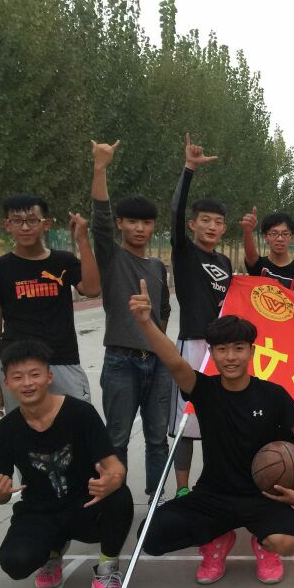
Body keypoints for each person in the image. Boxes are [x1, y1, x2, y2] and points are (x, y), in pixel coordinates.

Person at [131, 285, 294, 586]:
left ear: (252, 351)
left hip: (263, 496)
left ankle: (264, 545)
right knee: (151, 536)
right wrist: (146, 322)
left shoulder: (273, 395)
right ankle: (218, 539)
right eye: (221, 349)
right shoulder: (204, 390)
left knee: (285, 542)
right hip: (213, 495)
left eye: (238, 348)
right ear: (211, 353)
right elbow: (174, 361)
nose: (230, 357)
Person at [0, 340, 133, 588]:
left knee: (119, 495)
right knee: (15, 562)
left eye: (35, 374)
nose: (28, 383)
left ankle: (107, 570)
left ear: (49, 376)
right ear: (6, 382)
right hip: (40, 511)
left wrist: (114, 478)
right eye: (18, 377)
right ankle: (52, 553)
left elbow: (113, 464)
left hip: (84, 505)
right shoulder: (3, 432)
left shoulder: (80, 413)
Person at [89, 139, 173, 506]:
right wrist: (100, 168)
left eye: (147, 222)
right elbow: (99, 219)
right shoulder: (112, 258)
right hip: (120, 362)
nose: (140, 228)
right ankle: (116, 502)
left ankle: (156, 502)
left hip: (157, 363)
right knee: (117, 438)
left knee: (157, 438)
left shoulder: (157, 267)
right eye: (133, 221)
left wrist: (161, 349)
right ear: (121, 224)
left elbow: (164, 312)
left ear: (153, 227)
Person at [0, 194, 101, 416]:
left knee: (76, 424)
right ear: (7, 225)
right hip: (17, 366)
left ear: (46, 224)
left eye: (32, 220)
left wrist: (82, 240)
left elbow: (92, 289)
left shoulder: (63, 261)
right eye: (17, 221)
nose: (25, 227)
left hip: (62, 359)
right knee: (25, 430)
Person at [168, 133, 233, 499]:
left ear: (223, 228)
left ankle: (214, 485)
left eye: (217, 222)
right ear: (193, 225)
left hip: (222, 350)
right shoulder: (185, 253)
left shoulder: (224, 261)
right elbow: (175, 212)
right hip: (193, 346)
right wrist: (188, 169)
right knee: (186, 423)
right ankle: (182, 490)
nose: (211, 226)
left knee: (218, 421)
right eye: (205, 220)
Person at [242, 208, 294, 298]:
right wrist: (248, 231)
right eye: (274, 233)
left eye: (285, 234)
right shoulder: (259, 266)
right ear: (265, 236)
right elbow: (250, 255)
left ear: (291, 237)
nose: (280, 239)